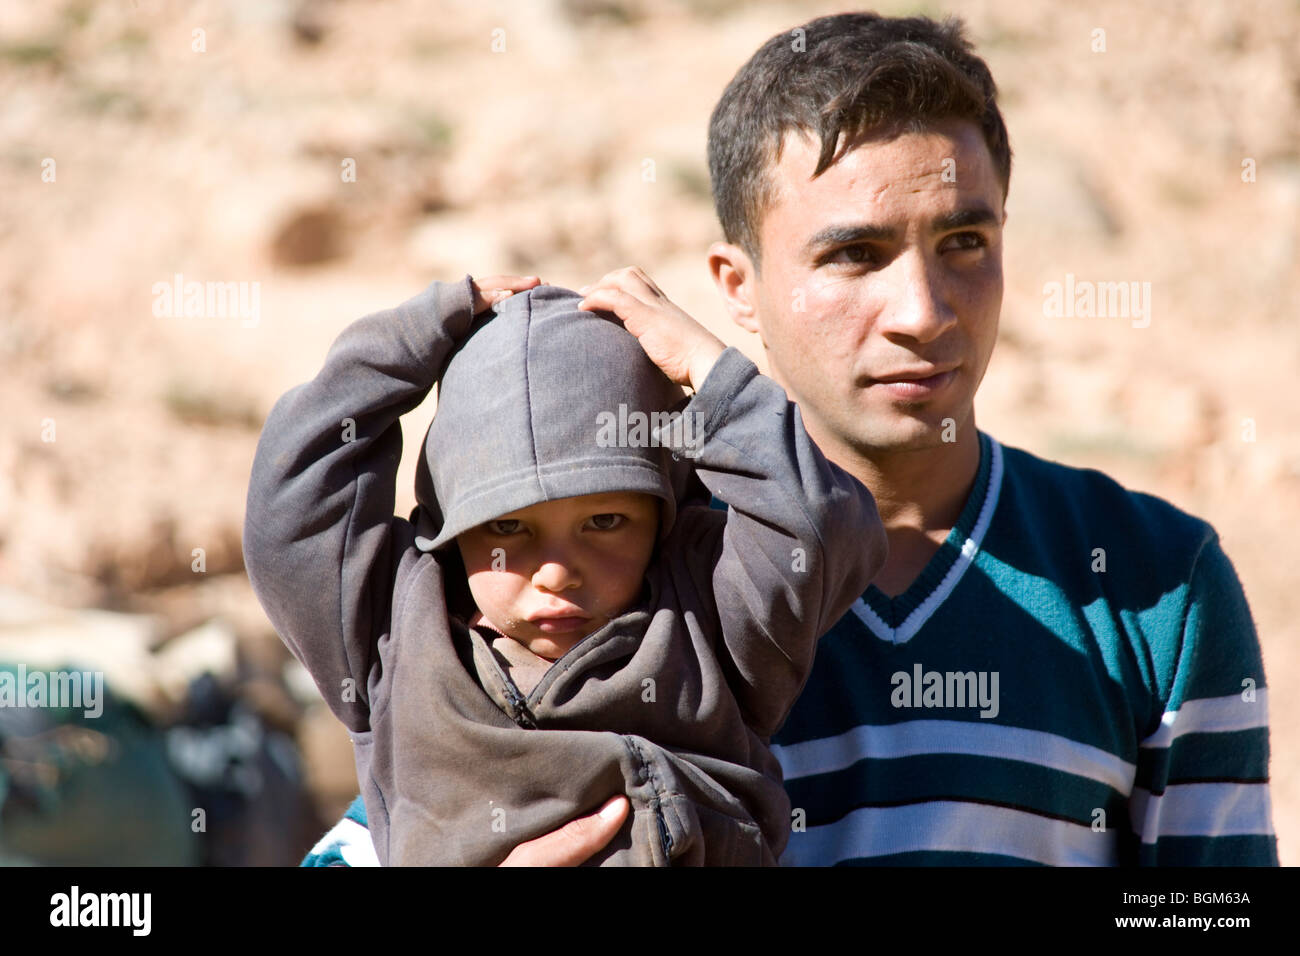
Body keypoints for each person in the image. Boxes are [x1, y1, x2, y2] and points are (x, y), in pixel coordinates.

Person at [301, 11, 1279, 866]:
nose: (922, 309)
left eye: (963, 243)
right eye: (854, 254)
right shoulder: (624, 564)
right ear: (737, 288)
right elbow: (410, 808)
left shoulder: (1155, 583)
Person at [243, 271, 885, 865]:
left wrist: (713, 377)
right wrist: (415, 335)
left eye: (605, 523)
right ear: (448, 528)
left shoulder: (711, 618)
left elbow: (815, 526)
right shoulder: (392, 636)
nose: (555, 572)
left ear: (664, 515)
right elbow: (288, 516)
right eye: (505, 527)